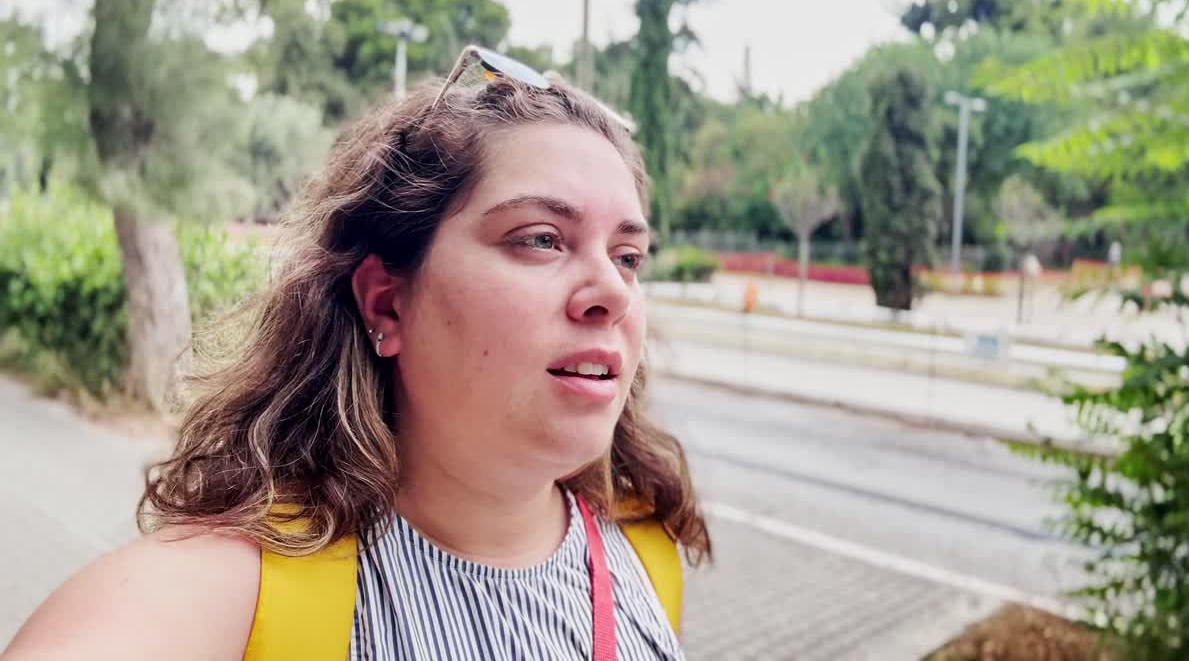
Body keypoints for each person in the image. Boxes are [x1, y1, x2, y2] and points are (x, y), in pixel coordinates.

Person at [4, 46, 711, 660]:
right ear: (385, 302)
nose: (611, 294)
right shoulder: (237, 594)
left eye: (628, 256)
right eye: (539, 239)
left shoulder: (646, 549)